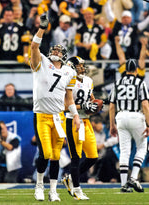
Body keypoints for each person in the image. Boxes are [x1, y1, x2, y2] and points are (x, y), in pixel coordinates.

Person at [30, 12, 80, 202]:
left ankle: (52, 190)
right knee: (45, 152)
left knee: (56, 156)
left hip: (58, 116)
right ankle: (39, 186)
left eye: (59, 50)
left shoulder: (69, 71)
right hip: (42, 115)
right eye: (54, 49)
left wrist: (75, 115)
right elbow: (35, 46)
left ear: (65, 55)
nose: (56, 51)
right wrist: (42, 29)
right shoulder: (41, 61)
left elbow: (68, 97)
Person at [62, 56, 100, 200]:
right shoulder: (67, 81)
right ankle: (76, 189)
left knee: (93, 157)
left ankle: (70, 178)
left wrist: (95, 105)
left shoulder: (89, 81)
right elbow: (65, 107)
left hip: (86, 121)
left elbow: (92, 99)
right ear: (72, 67)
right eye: (79, 66)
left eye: (83, 65)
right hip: (73, 121)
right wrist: (83, 106)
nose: (82, 68)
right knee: (76, 158)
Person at [109, 58, 149, 192]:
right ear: (136, 70)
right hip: (136, 116)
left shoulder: (117, 83)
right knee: (142, 147)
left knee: (124, 151)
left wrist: (111, 124)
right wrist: (148, 124)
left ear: (125, 70)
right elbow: (145, 104)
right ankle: (133, 177)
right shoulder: (140, 82)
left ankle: (123, 185)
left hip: (120, 117)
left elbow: (111, 106)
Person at [88, 115, 119, 184]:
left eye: (95, 127)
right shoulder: (93, 132)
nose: (94, 129)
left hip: (112, 150)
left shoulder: (108, 129)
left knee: (108, 156)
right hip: (99, 152)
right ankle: (93, 177)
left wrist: (104, 145)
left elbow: (116, 139)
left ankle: (113, 177)